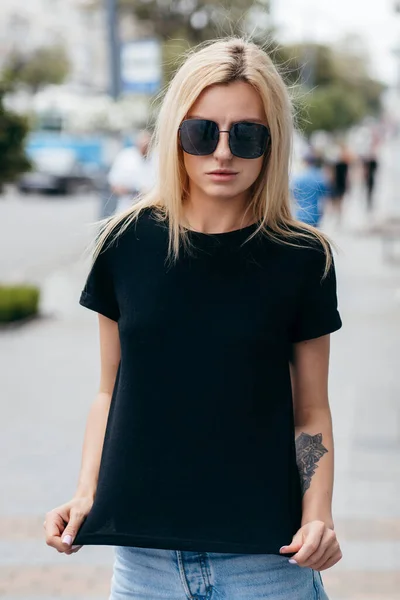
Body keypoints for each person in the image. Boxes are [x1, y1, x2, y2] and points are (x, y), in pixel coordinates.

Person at [44, 37, 343, 600]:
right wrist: (87, 493)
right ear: (175, 136)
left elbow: (311, 410)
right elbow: (109, 390)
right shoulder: (124, 243)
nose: (222, 153)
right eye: (202, 132)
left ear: (272, 143)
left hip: (268, 565)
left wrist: (317, 515)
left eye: (246, 134)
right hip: (142, 566)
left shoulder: (303, 258)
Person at [108, 129, 157, 214]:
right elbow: (114, 186)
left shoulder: (157, 157)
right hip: (127, 210)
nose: (145, 148)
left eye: (147, 145)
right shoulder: (125, 157)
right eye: (143, 144)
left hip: (152, 212)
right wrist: (134, 191)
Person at [291, 153, 330, 227]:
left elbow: (293, 195)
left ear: (305, 162)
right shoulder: (320, 176)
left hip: (300, 215)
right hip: (315, 215)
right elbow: (324, 196)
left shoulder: (298, 177)